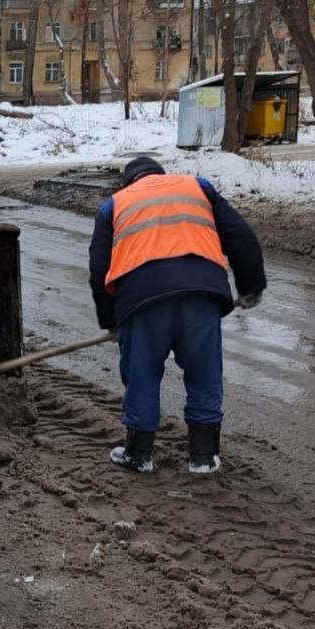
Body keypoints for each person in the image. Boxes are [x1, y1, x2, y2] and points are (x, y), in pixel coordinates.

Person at [88, 156, 266, 474]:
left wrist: (111, 321)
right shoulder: (197, 187)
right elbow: (241, 236)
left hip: (142, 300)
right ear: (161, 176)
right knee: (204, 372)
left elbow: (99, 268)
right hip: (203, 293)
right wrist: (251, 286)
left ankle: (139, 454)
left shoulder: (113, 205)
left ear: (128, 182)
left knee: (142, 373)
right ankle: (203, 456)